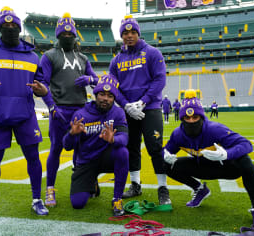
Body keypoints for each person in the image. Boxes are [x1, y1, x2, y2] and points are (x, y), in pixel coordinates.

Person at [0, 6, 49, 223]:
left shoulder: (33, 57)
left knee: (33, 158)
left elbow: (42, 82)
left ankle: (37, 200)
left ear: (19, 27)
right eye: (5, 26)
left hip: (26, 115)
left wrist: (43, 90)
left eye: (14, 25)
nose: (10, 29)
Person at [162, 90, 254, 230]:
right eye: (187, 118)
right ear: (182, 119)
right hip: (201, 168)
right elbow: (165, 151)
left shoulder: (215, 129)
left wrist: (226, 154)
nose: (191, 121)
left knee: (244, 160)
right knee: (165, 165)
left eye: (195, 117)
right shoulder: (177, 134)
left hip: (226, 167)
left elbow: (246, 144)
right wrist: (164, 154)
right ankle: (199, 189)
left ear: (201, 117)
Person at [109, 15, 171, 205]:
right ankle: (135, 185)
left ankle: (162, 187)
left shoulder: (152, 53)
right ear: (121, 35)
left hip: (150, 108)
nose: (129, 36)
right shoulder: (116, 60)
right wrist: (126, 104)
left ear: (138, 33)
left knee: (155, 147)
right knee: (131, 147)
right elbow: (112, 86)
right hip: (127, 110)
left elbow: (160, 80)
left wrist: (142, 102)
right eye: (125, 33)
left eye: (133, 32)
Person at [40, 12, 99, 207]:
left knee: (83, 148)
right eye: (64, 35)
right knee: (56, 149)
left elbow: (98, 82)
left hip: (81, 110)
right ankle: (50, 190)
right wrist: (51, 106)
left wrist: (90, 79)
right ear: (58, 35)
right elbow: (42, 84)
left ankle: (86, 182)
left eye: (71, 35)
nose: (68, 37)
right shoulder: (49, 56)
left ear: (75, 36)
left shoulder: (83, 58)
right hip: (60, 109)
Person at [63, 75, 128, 216]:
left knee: (122, 152)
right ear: (95, 95)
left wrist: (113, 140)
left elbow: (124, 137)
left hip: (106, 157)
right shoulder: (81, 114)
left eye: (110, 96)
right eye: (102, 94)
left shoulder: (118, 112)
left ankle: (117, 199)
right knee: (78, 203)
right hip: (87, 160)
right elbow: (67, 146)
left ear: (114, 98)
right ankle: (93, 182)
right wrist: (72, 135)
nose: (105, 98)